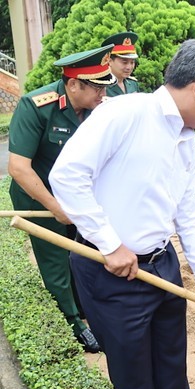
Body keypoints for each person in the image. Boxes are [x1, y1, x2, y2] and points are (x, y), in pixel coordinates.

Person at [49, 39, 195, 389]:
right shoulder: (125, 114)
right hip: (112, 274)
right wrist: (111, 244)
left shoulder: (183, 136)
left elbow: (186, 206)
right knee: (135, 387)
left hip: (162, 266)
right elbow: (67, 177)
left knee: (171, 372)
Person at [8, 44, 116, 353]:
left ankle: (86, 306)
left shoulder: (100, 108)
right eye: (96, 87)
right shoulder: (36, 106)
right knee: (56, 258)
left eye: (105, 85)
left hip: (79, 196)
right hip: (39, 198)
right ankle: (74, 321)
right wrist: (56, 208)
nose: (102, 93)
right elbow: (19, 167)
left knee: (83, 252)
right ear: (72, 84)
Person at [101, 31, 140, 96]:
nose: (129, 67)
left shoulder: (133, 84)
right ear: (110, 61)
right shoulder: (102, 86)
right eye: (124, 62)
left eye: (132, 62)